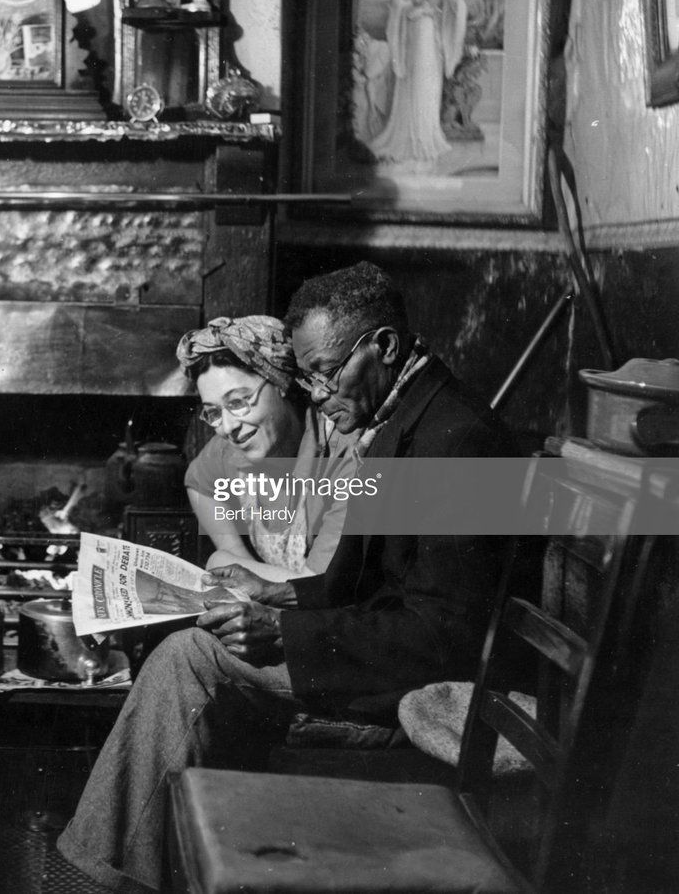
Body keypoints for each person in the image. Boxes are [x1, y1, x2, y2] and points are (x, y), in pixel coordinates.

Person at [55, 261, 519, 894]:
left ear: (383, 346)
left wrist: (282, 633)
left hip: (419, 688)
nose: (320, 392)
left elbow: (446, 636)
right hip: (382, 659)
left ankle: (101, 878)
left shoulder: (457, 440)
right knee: (190, 659)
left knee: (189, 660)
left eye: (326, 372)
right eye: (309, 377)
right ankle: (125, 871)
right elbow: (356, 584)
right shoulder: (401, 422)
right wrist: (275, 592)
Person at [176, 315, 350, 581]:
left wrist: (225, 562)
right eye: (213, 412)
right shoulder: (231, 450)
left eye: (237, 402)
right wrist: (235, 556)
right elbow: (198, 481)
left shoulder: (338, 454)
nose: (227, 427)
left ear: (279, 382)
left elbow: (321, 586)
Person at [368, 0, 466, 166]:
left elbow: (455, 6)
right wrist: (416, 6)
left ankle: (425, 137)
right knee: (412, 84)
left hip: (431, 39)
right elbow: (396, 6)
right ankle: (408, 139)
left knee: (427, 84)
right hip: (411, 37)